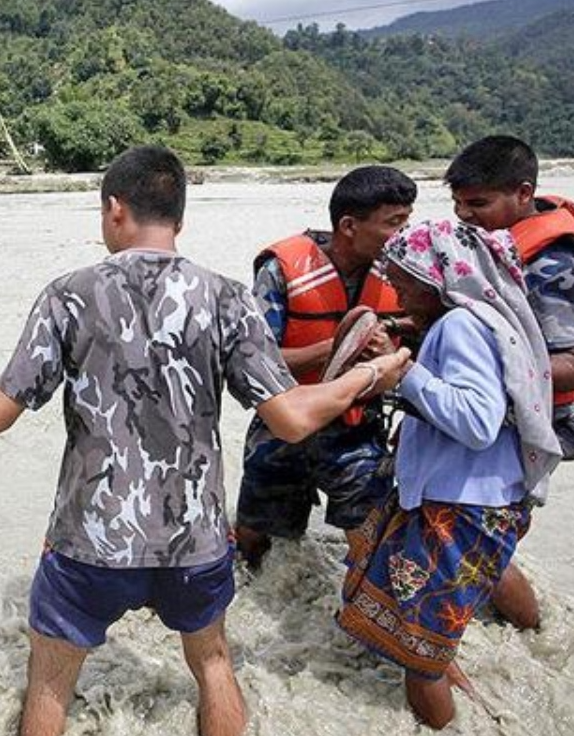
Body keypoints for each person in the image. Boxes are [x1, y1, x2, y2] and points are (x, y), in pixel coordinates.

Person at [0, 146, 410, 736]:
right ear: (180, 217)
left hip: (90, 541)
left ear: (115, 209)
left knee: (48, 683)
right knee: (215, 663)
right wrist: (370, 374)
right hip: (194, 542)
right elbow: (292, 419)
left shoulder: (68, 294)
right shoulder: (225, 297)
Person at [336, 220, 560, 729]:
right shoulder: (482, 318)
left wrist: (404, 373)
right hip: (483, 498)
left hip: (457, 507)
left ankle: (445, 724)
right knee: (438, 628)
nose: (396, 292)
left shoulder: (460, 327)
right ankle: (537, 646)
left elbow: (477, 423)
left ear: (435, 280)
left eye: (402, 282)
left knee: (419, 655)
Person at [234, 166, 417, 566]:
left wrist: (390, 349)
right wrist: (342, 346)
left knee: (373, 541)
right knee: (252, 540)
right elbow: (253, 361)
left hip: (358, 429)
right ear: (349, 225)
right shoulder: (281, 270)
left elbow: (427, 348)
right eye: (393, 223)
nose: (404, 235)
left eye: (407, 221)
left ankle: (362, 617)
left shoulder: (407, 270)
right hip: (283, 425)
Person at [444, 134, 574, 630]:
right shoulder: (499, 246)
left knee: (483, 533)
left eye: (478, 203)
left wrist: (477, 365)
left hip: (542, 423)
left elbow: (568, 362)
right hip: (506, 416)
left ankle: (532, 633)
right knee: (479, 531)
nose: (465, 216)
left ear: (523, 194)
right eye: (458, 205)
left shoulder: (549, 263)